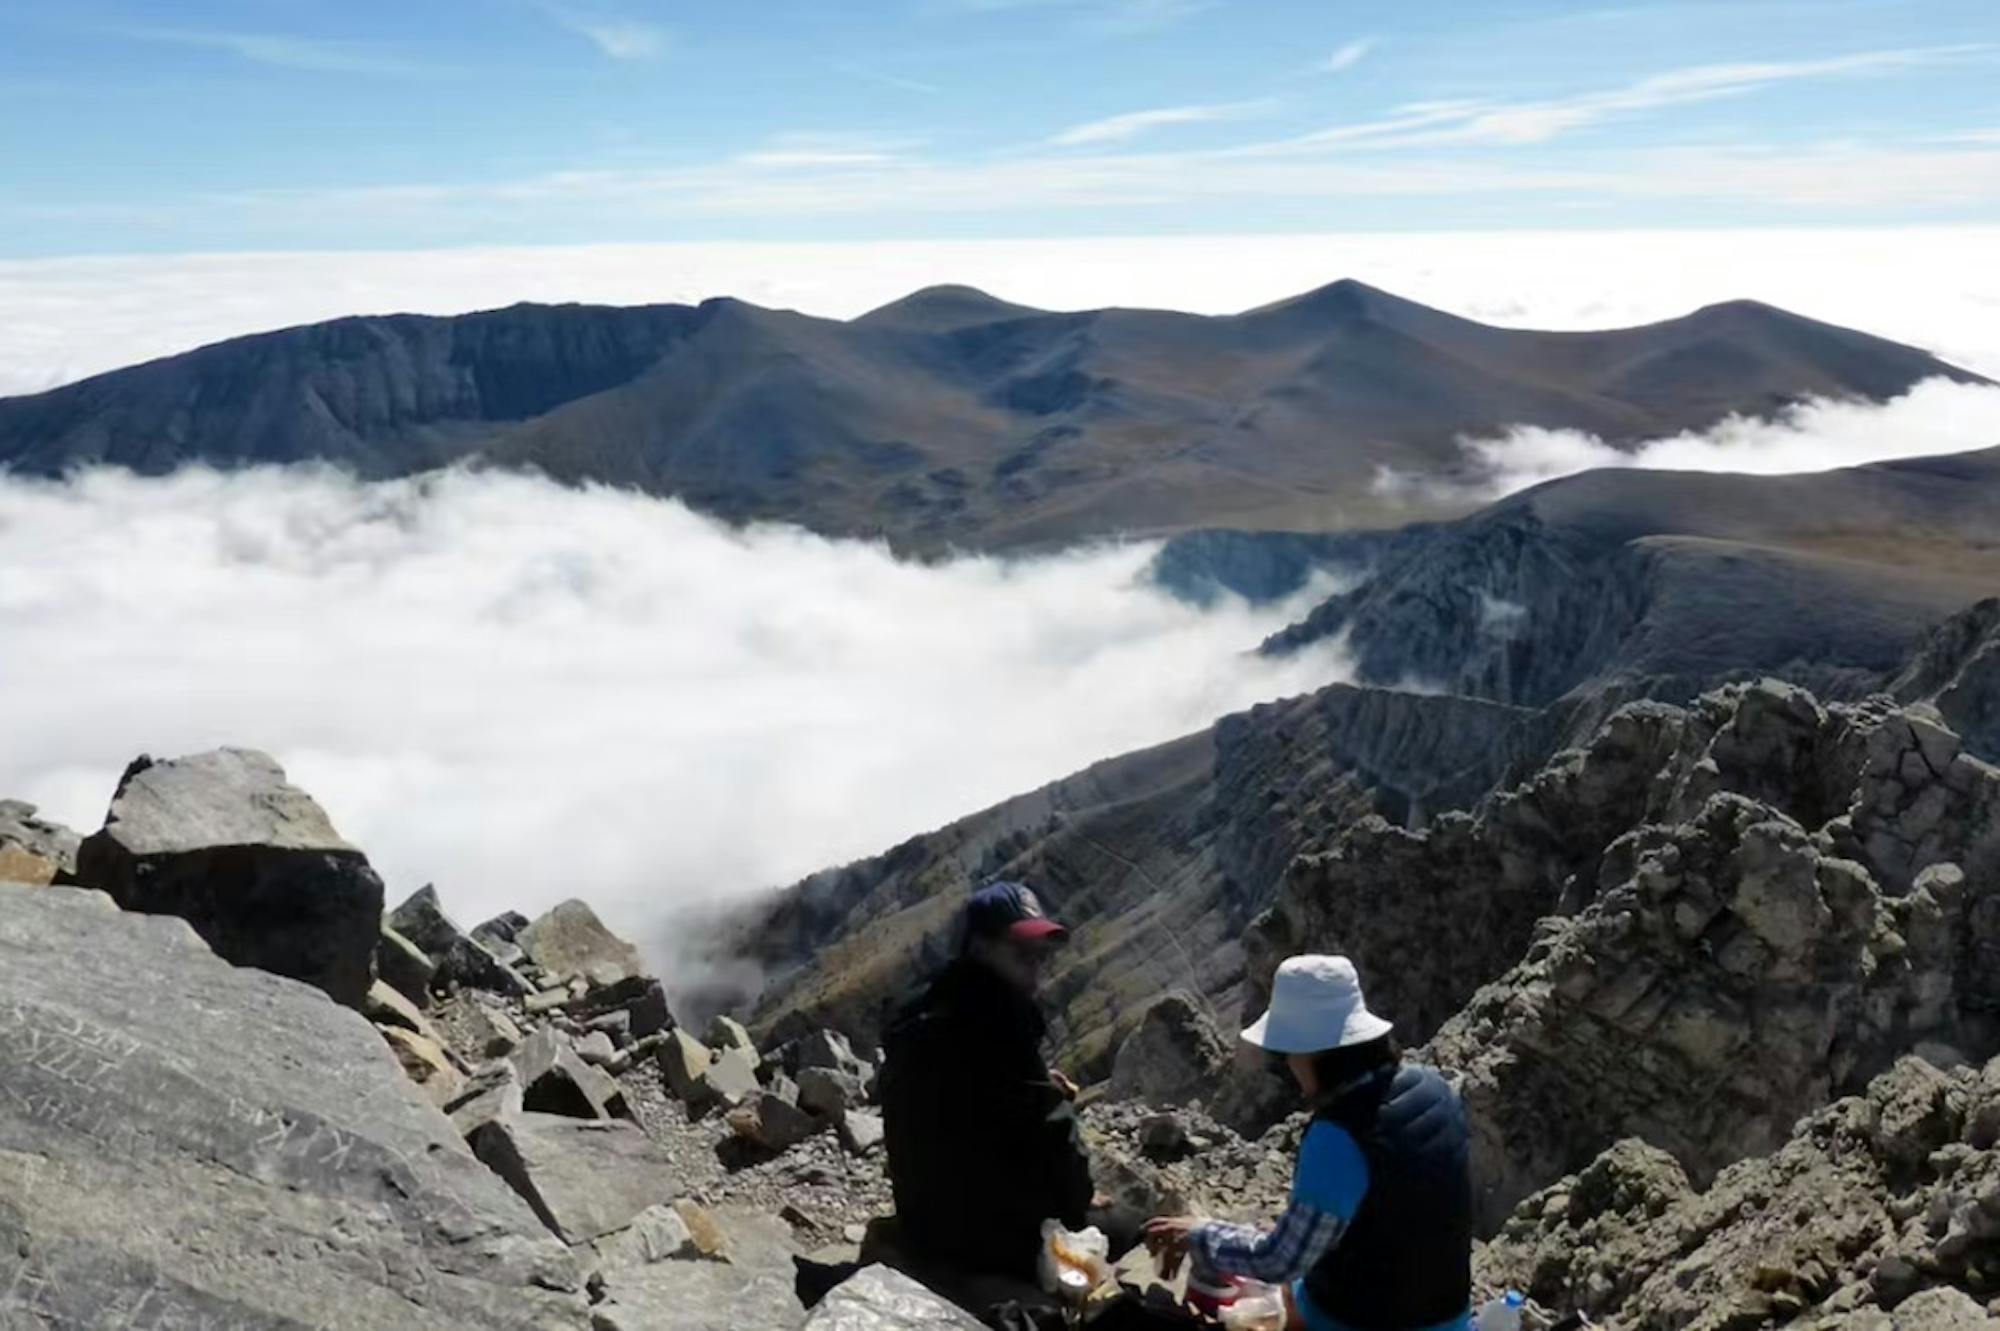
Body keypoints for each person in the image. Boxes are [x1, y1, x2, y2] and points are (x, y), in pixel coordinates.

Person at [1142, 955, 1474, 1331]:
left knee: (1255, 1289)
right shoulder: (1434, 1089)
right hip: (1449, 1318)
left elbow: (1281, 1261)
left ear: (1310, 1052)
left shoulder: (1339, 1135)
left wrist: (1200, 1233)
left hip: (1362, 1321)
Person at [875, 880, 1105, 1321]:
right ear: (981, 948)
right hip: (980, 1242)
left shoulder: (929, 1008)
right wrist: (1084, 1198)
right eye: (1022, 955)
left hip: (922, 1219)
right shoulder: (1000, 1020)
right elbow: (1057, 1142)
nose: (1035, 970)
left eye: (1041, 957)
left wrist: (1033, 1084)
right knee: (1127, 1228)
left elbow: (969, 1096)